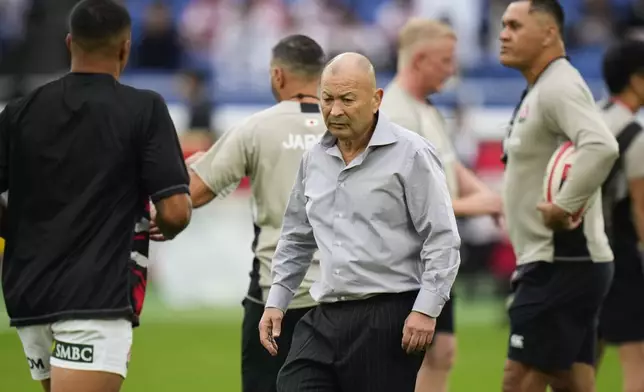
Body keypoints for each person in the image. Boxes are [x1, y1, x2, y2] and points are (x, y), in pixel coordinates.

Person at [0, 1, 192, 391]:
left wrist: (16, 231)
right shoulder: (144, 108)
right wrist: (169, 226)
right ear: (126, 47)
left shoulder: (19, 112)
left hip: (28, 296)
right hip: (95, 295)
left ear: (70, 43)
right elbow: (174, 210)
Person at [258, 52, 461, 392]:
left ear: (376, 99)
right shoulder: (314, 158)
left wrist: (427, 309)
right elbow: (296, 238)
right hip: (325, 314)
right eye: (327, 99)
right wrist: (277, 300)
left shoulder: (411, 153)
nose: (335, 111)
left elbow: (441, 238)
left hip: (389, 316)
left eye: (347, 100)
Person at [180, 34, 327, 392]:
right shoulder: (346, 126)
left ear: (278, 75)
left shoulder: (256, 127)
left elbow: (192, 194)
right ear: (322, 76)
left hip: (275, 294)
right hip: (343, 297)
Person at [498, 1, 619, 391]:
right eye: (502, 25)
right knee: (572, 381)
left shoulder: (559, 85)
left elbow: (601, 146)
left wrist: (565, 206)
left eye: (515, 25)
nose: (503, 34)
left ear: (549, 33)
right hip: (562, 261)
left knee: (518, 378)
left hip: (562, 261)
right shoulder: (542, 87)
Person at [380, 18, 503, 392]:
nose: (452, 69)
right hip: (404, 261)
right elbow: (406, 203)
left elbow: (451, 165)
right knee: (406, 356)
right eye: (446, 60)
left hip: (433, 255)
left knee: (442, 350)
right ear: (419, 59)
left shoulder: (427, 110)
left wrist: (488, 196)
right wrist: (474, 204)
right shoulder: (394, 116)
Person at [596, 40, 644, 392]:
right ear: (635, 80)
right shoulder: (635, 137)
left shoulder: (591, 119)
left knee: (583, 359)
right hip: (622, 255)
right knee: (636, 356)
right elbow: (641, 209)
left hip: (583, 252)